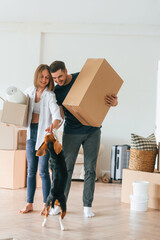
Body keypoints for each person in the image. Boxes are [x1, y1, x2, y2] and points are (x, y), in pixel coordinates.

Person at [49, 60, 118, 217]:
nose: (58, 81)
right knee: (66, 170)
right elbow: (60, 115)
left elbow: (104, 95)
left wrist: (114, 102)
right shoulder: (57, 92)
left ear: (66, 70)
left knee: (90, 169)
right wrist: (54, 126)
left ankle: (87, 206)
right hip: (71, 133)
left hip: (93, 130)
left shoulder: (82, 78)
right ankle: (60, 204)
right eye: (54, 79)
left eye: (59, 76)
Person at [19, 64, 63, 214]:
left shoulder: (50, 95)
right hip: (31, 134)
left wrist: (54, 125)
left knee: (43, 172)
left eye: (47, 77)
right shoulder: (28, 92)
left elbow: (56, 114)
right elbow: (18, 109)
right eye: (42, 76)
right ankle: (29, 203)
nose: (44, 80)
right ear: (37, 76)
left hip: (44, 136)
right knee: (31, 171)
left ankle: (46, 204)